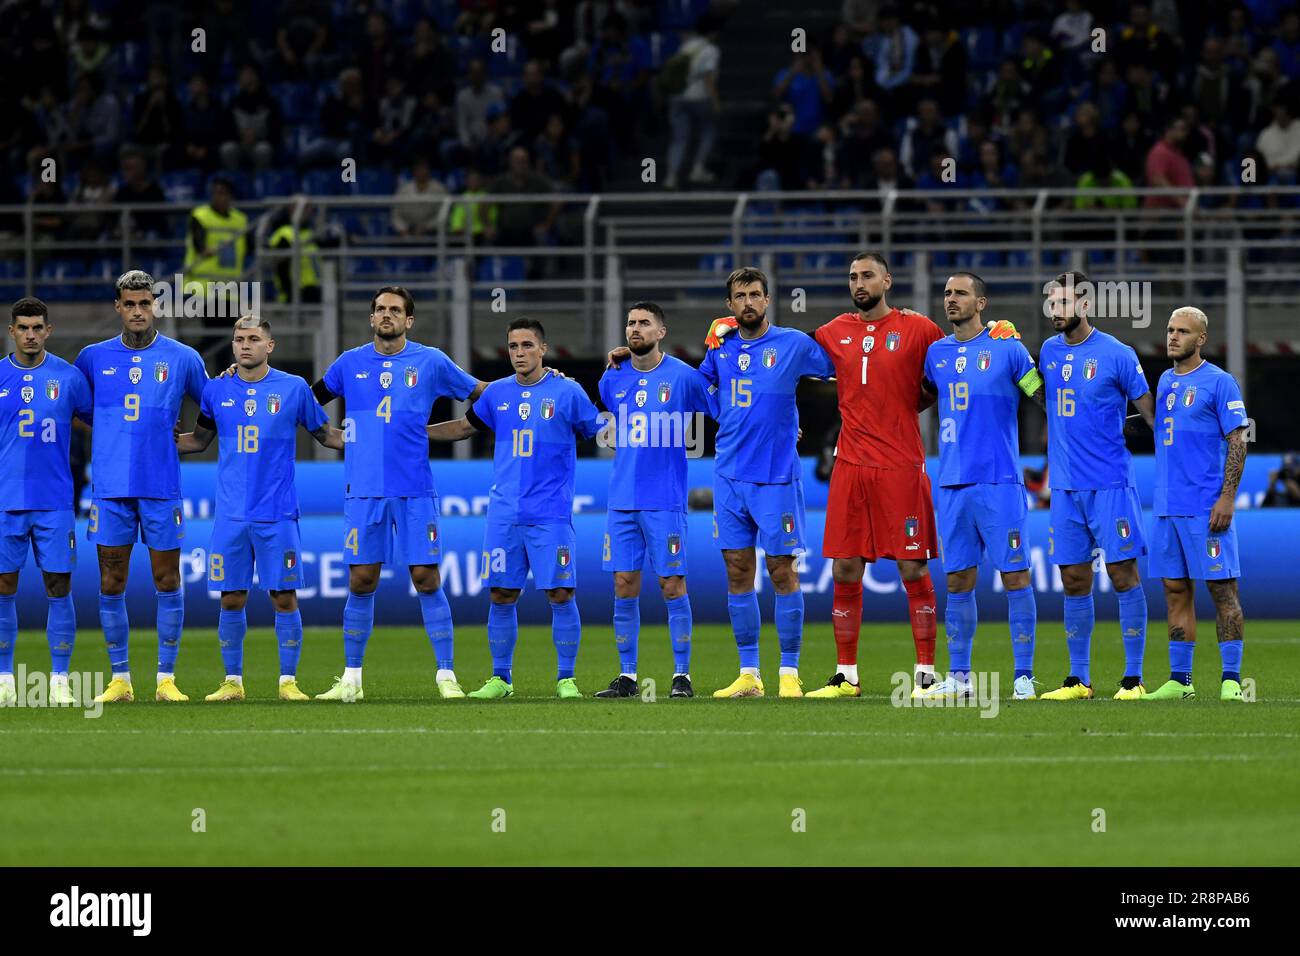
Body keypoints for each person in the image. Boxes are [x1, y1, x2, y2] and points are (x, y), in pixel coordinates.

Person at [311, 287, 485, 702]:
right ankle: (351, 679)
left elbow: (482, 393)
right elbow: (302, 399)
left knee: (425, 577)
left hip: (414, 489)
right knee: (361, 578)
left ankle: (446, 675)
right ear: (371, 318)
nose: (386, 315)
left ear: (409, 320)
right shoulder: (348, 363)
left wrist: (534, 381)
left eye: (395, 310)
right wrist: (329, 435)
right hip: (364, 491)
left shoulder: (431, 361)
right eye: (380, 310)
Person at [426, 318, 604, 700]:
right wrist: (414, 433)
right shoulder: (496, 394)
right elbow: (462, 428)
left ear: (543, 349)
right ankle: (501, 679)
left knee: (560, 593)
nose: (519, 353)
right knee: (501, 595)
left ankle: (566, 678)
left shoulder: (568, 392)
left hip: (550, 514)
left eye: (527, 345)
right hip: (504, 514)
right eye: (513, 346)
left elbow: (598, 430)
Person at [802, 252, 946, 698]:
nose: (859, 283)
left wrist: (995, 335)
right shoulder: (832, 333)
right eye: (852, 277)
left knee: (911, 564)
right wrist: (729, 331)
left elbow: (951, 370)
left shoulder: (920, 329)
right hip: (850, 465)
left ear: (887, 279)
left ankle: (925, 674)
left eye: (867, 275)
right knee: (845, 567)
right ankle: (846, 674)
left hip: (901, 464)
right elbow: (781, 355)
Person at [176, 316, 342, 701]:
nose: (245, 345)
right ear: (232, 346)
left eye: (253, 338)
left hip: (278, 512)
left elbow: (325, 435)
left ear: (270, 346)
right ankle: (232, 682)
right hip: (231, 514)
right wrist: (158, 440)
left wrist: (369, 441)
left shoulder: (294, 388)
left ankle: (288, 682)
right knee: (231, 597)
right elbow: (199, 441)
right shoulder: (216, 391)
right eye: (238, 339)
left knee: (283, 597)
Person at [699, 267, 835, 698]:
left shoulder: (793, 344)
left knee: (782, 570)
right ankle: (749, 674)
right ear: (729, 305)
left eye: (756, 295)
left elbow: (839, 366)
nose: (748, 303)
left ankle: (790, 672)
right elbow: (701, 389)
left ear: (767, 299)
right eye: (740, 296)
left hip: (776, 478)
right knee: (738, 570)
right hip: (728, 476)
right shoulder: (719, 349)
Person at [74, 270, 208, 703]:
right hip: (110, 488)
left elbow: (213, 406)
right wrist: (109, 431)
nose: (137, 311)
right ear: (118, 307)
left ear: (155, 306)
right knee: (112, 581)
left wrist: (191, 441)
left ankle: (166, 679)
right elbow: (74, 407)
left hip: (160, 486)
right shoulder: (92, 357)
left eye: (144, 303)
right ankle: (120, 680)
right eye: (129, 304)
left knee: (166, 578)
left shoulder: (183, 358)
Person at [919, 274, 1045, 700]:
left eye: (961, 293)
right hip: (952, 483)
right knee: (957, 582)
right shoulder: (934, 354)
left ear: (982, 302)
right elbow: (907, 398)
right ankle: (959, 678)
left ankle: (1023, 677)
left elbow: (1042, 396)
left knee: (1015, 576)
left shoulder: (1008, 350)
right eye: (948, 293)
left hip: (999, 481)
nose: (951, 299)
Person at [1037, 272, 1155, 700]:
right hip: (1065, 488)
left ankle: (1134, 679)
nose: (1056, 309)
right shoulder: (1048, 351)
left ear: (1085, 305)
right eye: (1051, 302)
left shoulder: (1118, 354)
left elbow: (1151, 414)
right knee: (1073, 579)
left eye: (1064, 302)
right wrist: (1005, 349)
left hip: (1110, 483)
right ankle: (1079, 679)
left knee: (1123, 574)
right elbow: (1040, 395)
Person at [593, 302, 716, 699]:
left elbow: (722, 409)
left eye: (644, 323)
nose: (635, 328)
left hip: (665, 499)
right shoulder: (611, 379)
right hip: (622, 498)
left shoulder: (684, 378)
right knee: (624, 584)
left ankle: (682, 675)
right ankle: (627, 677)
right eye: (631, 323)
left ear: (661, 331)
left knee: (671, 583)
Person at [1144, 307, 1249, 701]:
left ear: (1200, 338)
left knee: (1222, 591)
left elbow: (1238, 440)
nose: (1173, 337)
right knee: (1175, 590)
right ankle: (1180, 681)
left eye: (1182, 331)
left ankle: (1231, 680)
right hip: (1167, 507)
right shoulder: (1167, 380)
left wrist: (1226, 497)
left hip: (1206, 508)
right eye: (1170, 330)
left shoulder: (1220, 382)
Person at [0, 298, 93, 706]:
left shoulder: (69, 377)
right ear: (12, 331)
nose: (31, 334)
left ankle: (59, 679)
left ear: (48, 331)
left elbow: (101, 421)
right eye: (23, 327)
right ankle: (4, 678)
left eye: (38, 327)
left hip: (55, 501)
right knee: (3, 586)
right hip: (5, 500)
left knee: (59, 586)